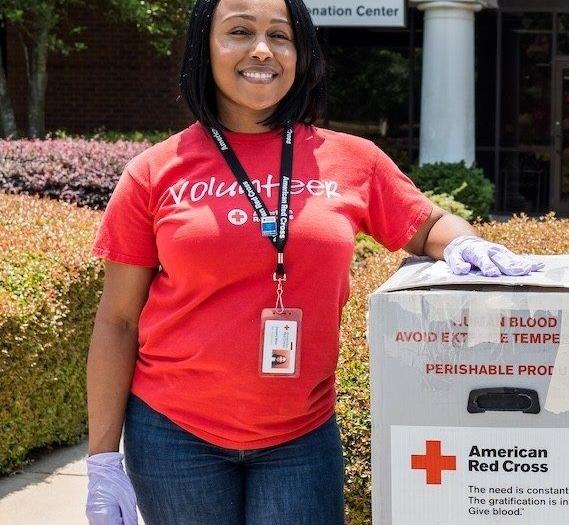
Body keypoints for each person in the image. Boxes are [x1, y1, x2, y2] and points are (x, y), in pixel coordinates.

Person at [84, 0, 542, 523]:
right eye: (238, 31)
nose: (262, 49)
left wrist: (464, 243)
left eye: (280, 36)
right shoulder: (154, 172)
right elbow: (118, 321)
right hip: (174, 436)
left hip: (300, 437)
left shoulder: (352, 159)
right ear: (203, 48)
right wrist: (103, 458)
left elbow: (427, 224)